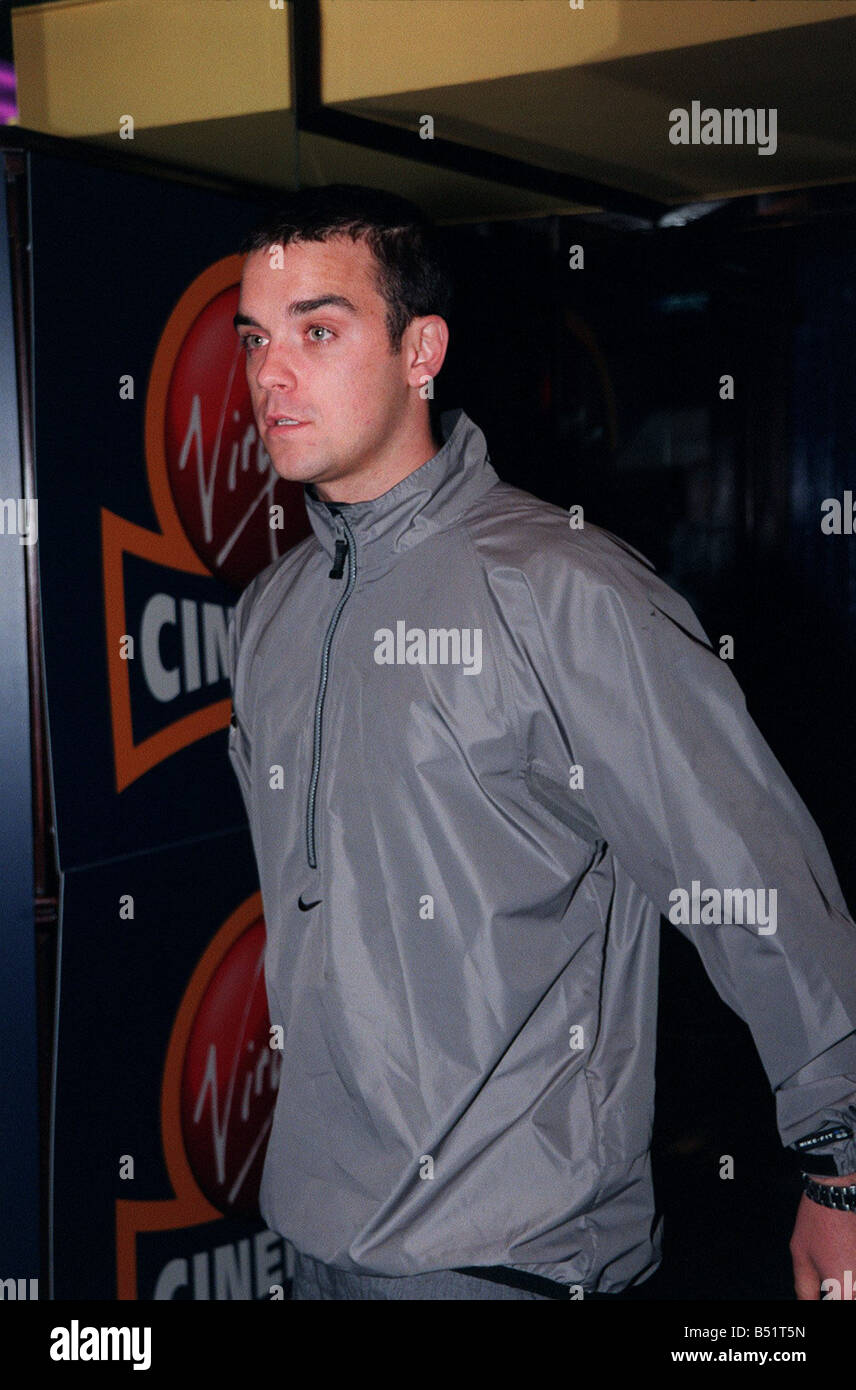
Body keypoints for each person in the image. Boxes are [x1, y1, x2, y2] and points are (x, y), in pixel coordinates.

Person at [226, 183, 856, 1301]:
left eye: (318, 331)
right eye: (256, 339)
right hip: (315, 1230)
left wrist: (841, 1164)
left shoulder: (565, 590)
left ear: (422, 350)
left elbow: (746, 877)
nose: (271, 375)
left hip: (511, 1247)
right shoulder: (269, 616)